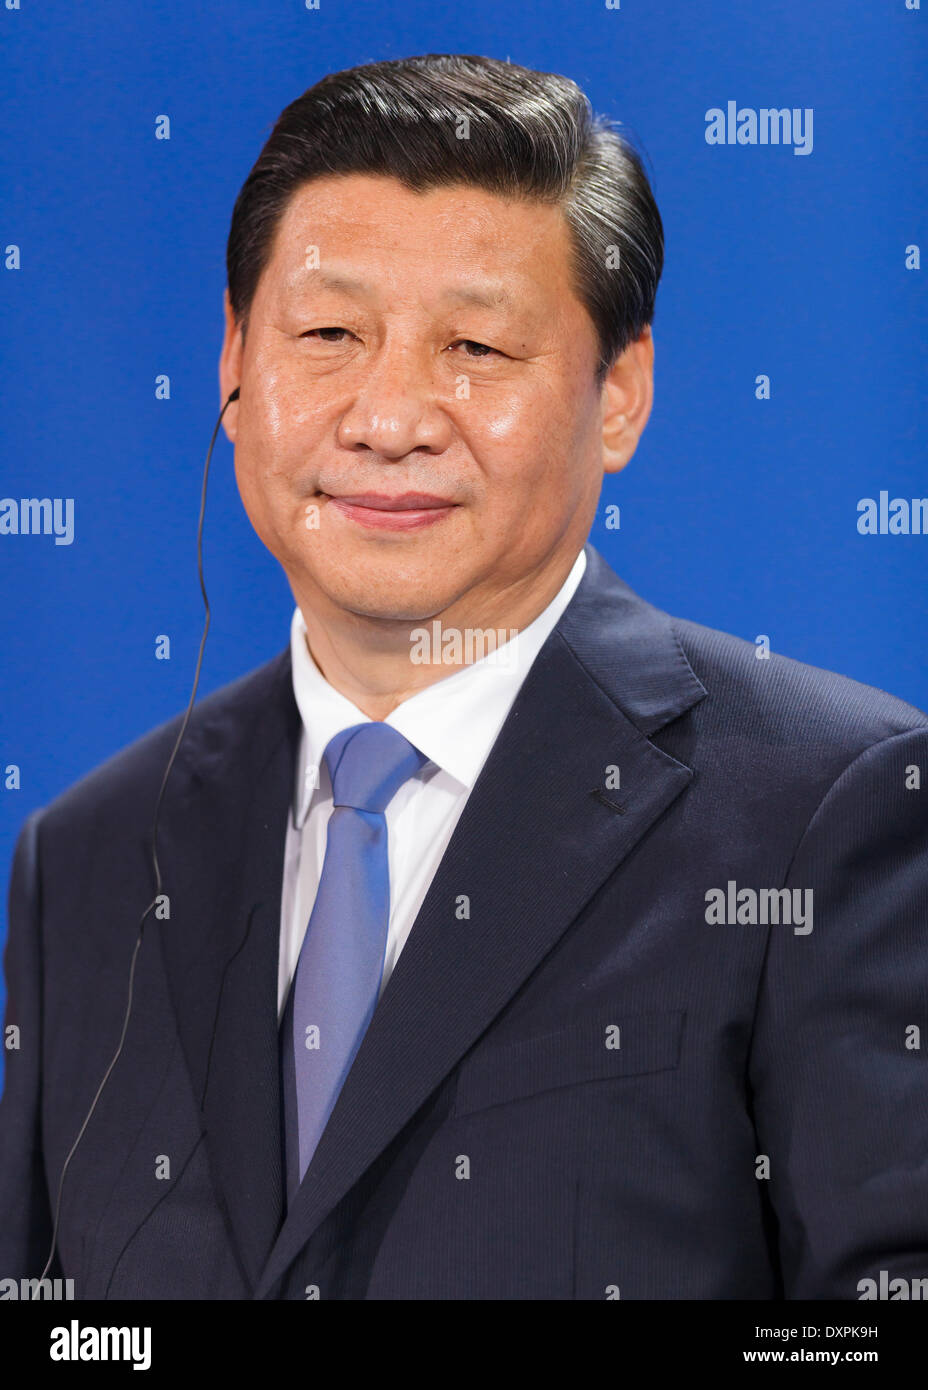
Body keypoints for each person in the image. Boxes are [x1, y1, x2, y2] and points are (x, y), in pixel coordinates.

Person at [1, 53, 926, 1301]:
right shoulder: (92, 858)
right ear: (231, 363)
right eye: (327, 334)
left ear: (621, 394)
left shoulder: (828, 810)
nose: (389, 417)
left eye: (476, 347)